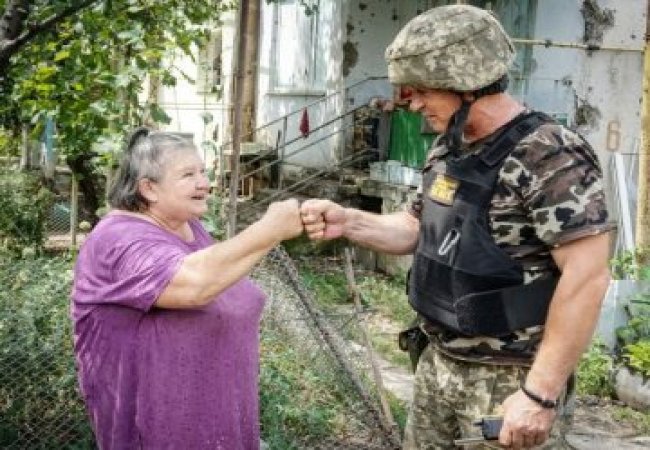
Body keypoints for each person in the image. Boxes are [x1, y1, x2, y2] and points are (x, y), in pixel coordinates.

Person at [301, 5, 612, 449]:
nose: (412, 104)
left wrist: (540, 394)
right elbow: (417, 227)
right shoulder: (450, 146)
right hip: (438, 362)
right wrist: (348, 221)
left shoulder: (549, 154)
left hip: (509, 380)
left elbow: (587, 276)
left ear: (468, 85)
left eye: (423, 91)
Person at [71, 128, 303, 449]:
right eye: (188, 175)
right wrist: (270, 229)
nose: (204, 183)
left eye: (203, 172)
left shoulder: (186, 227)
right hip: (157, 434)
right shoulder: (118, 240)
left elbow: (220, 276)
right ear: (149, 188)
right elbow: (195, 285)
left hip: (218, 425)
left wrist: (283, 227)